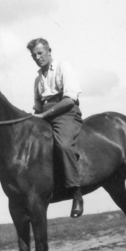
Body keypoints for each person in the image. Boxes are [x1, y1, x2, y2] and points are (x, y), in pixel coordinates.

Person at [27, 38, 84, 218]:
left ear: (49, 51)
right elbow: (37, 107)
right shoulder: (38, 79)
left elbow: (69, 99)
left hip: (65, 113)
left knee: (64, 145)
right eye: (33, 55)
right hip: (45, 116)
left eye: (40, 53)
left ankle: (76, 193)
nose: (37, 57)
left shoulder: (63, 67)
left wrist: (44, 115)